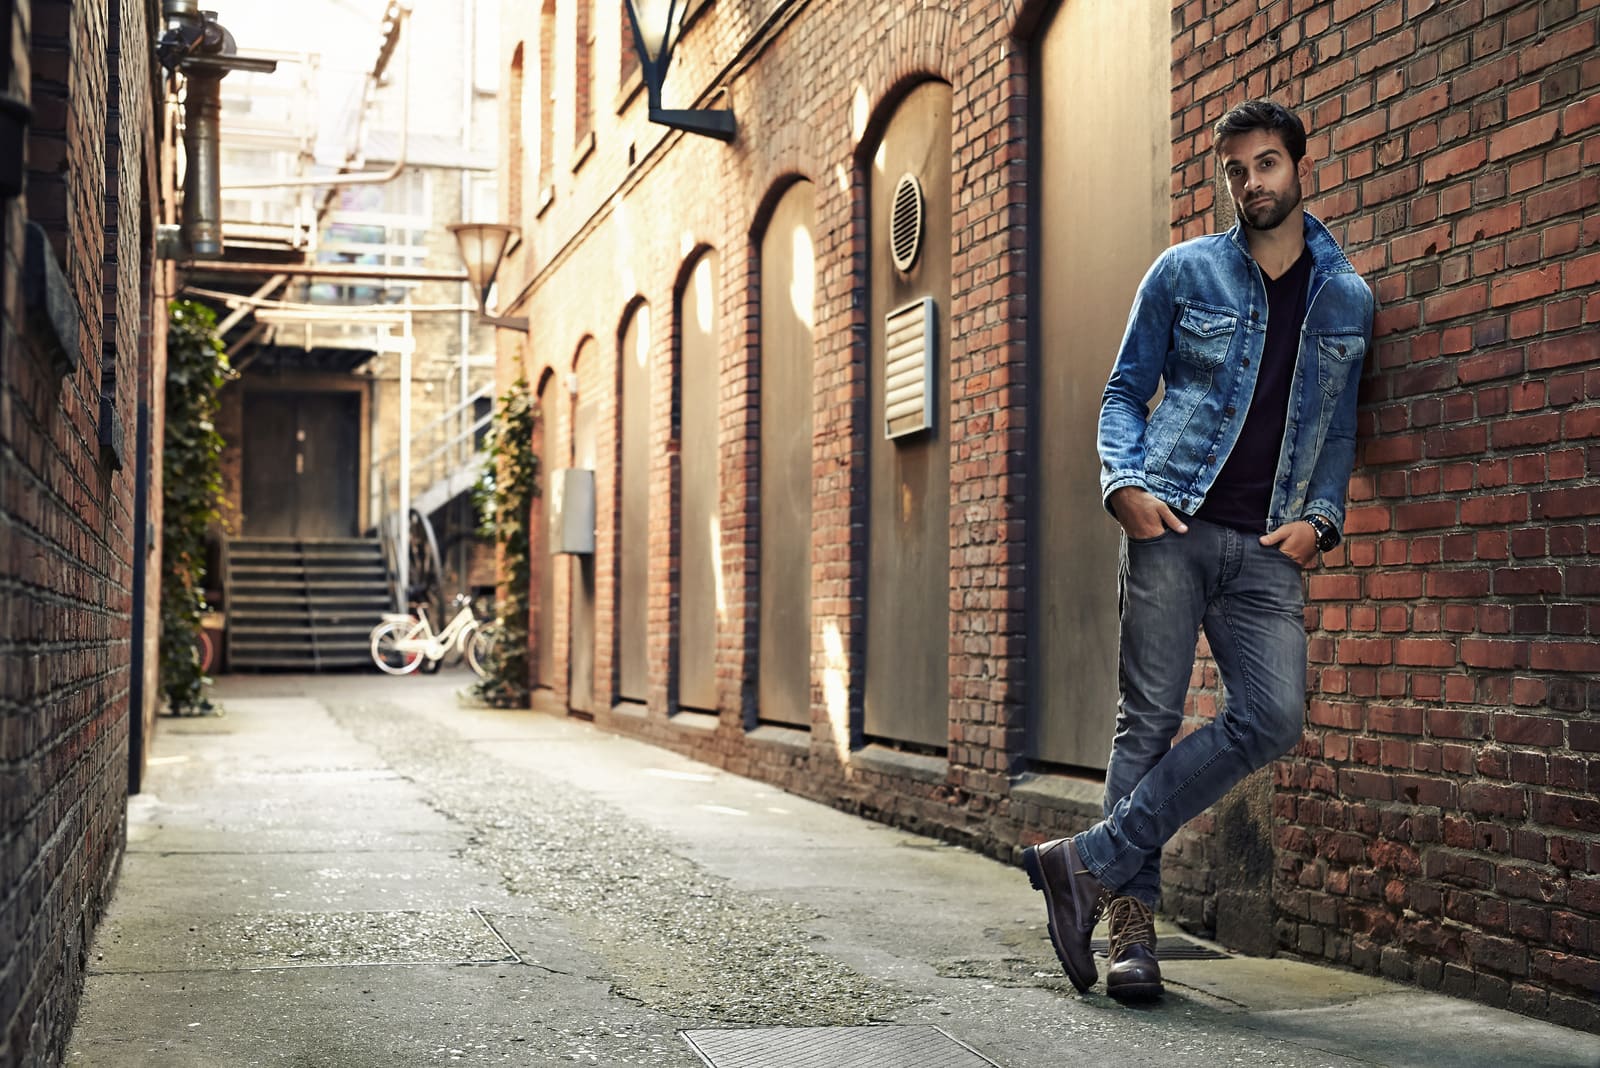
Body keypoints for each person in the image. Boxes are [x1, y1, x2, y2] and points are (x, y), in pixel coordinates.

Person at [1023, 99, 1374, 1001]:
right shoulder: (1183, 274)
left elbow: (1336, 434)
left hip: (1267, 548)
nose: (1251, 183)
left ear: (1300, 166)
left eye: (1266, 164)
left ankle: (1085, 864)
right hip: (1174, 526)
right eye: (1236, 171)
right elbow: (1122, 393)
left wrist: (1323, 521)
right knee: (1147, 720)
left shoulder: (1347, 298)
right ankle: (1133, 940)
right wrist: (1124, 487)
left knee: (1274, 715)